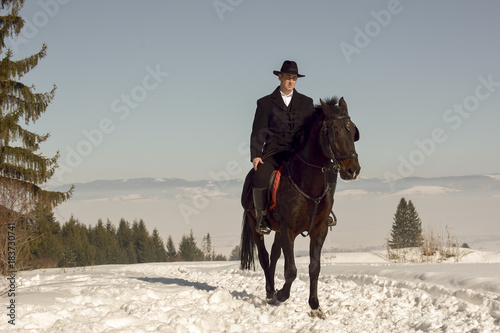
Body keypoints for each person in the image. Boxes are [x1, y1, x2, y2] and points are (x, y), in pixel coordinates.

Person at [250, 60, 316, 235]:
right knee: (261, 176)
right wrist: (256, 155)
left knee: (323, 172)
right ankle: (262, 217)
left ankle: (322, 213)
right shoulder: (265, 103)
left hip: (298, 153)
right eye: (287, 77)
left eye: (294, 78)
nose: (291, 81)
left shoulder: (307, 103)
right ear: (280, 77)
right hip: (274, 152)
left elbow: (310, 131)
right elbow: (258, 132)